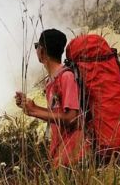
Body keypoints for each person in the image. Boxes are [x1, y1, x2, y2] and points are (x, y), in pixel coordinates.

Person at [15, 29, 89, 168]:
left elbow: (72, 117)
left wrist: (34, 112)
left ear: (42, 51)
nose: (36, 50)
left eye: (37, 46)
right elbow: (57, 115)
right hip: (60, 156)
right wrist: (33, 107)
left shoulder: (66, 77)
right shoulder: (52, 81)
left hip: (73, 157)